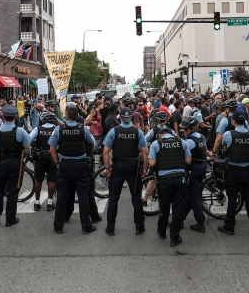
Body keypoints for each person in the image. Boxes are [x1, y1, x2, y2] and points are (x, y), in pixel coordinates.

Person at [48, 105, 97, 234]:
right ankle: (86, 226)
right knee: (83, 196)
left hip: (64, 166)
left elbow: (52, 149)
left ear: (67, 116)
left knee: (62, 197)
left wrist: (57, 163)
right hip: (80, 165)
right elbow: (93, 144)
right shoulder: (83, 129)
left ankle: (58, 226)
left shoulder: (59, 129)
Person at [102, 107, 148, 236]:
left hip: (118, 166)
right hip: (133, 167)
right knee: (136, 198)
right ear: (131, 118)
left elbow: (105, 152)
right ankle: (139, 227)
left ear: (120, 117)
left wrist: (107, 168)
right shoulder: (137, 131)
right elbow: (145, 151)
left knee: (113, 198)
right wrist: (144, 168)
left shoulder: (114, 131)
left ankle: (110, 228)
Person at [0, 105, 31, 227]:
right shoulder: (21, 131)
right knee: (13, 191)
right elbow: (27, 149)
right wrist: (22, 158)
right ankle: (10, 218)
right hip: (15, 164)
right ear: (15, 117)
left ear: (3, 116)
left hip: (0, 164)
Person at [218, 110, 249, 236]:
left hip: (234, 170)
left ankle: (229, 226)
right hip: (248, 170)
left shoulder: (228, 134)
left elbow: (225, 148)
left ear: (234, 121)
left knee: (232, 199)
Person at [147, 126, 191, 247]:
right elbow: (188, 161)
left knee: (164, 207)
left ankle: (161, 232)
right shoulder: (182, 142)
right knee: (177, 209)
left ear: (160, 134)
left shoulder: (156, 143)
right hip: (180, 178)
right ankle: (174, 238)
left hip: (164, 180)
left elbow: (152, 163)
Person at [179, 117, 208, 232]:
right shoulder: (200, 137)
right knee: (190, 196)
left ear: (192, 129)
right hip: (202, 167)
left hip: (194, 170)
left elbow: (182, 154)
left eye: (185, 130)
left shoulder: (190, 142)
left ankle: (200, 223)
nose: (184, 132)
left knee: (194, 197)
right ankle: (180, 219)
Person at [29, 111, 59, 211]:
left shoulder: (38, 129)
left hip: (40, 157)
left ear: (43, 120)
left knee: (39, 180)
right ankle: (50, 203)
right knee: (52, 180)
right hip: (52, 157)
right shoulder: (56, 129)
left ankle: (37, 203)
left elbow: (29, 139)